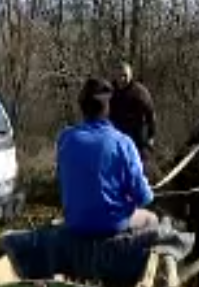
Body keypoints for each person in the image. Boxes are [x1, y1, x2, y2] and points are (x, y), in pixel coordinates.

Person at [55, 77, 158, 238]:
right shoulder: (123, 142)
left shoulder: (65, 138)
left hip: (74, 222)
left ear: (82, 108)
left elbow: (62, 178)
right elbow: (144, 197)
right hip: (112, 223)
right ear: (107, 109)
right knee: (151, 219)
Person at [108, 61, 157, 166]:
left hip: (138, 139)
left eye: (125, 76)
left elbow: (151, 114)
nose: (122, 79)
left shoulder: (140, 92)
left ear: (130, 75)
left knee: (140, 168)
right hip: (116, 139)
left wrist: (151, 136)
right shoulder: (110, 92)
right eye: (119, 76)